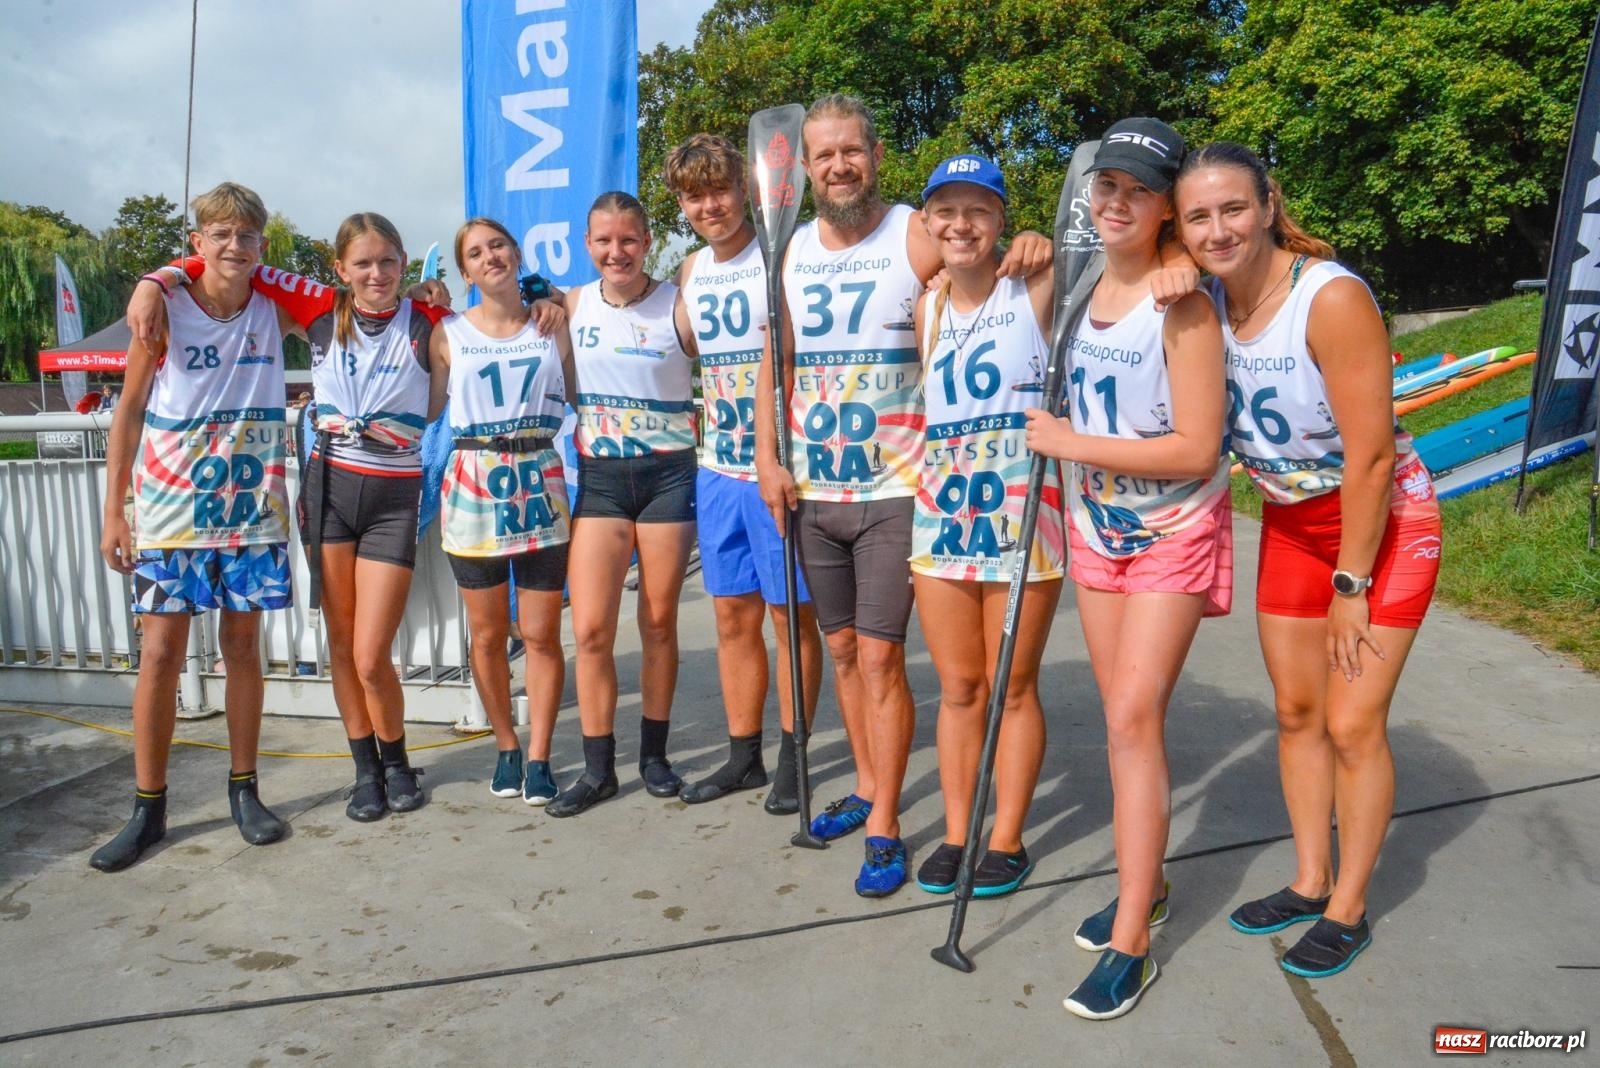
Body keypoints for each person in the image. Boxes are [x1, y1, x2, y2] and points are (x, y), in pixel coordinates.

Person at [756, 94, 1051, 897]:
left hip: (901, 484)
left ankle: (886, 824)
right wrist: (765, 456)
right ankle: (865, 783)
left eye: (852, 150)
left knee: (883, 657)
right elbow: (773, 359)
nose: (839, 165)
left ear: (875, 155)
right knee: (844, 650)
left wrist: (1032, 244)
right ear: (808, 167)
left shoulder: (916, 229)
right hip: (815, 487)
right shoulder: (787, 245)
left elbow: (977, 270)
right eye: (824, 156)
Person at [1173, 142, 1441, 979]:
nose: (1219, 229)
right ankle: (1308, 877)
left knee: (1351, 722)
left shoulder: (1329, 298)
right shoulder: (1203, 299)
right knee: (1295, 713)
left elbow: (1368, 459)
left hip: (1380, 523)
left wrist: (1351, 588)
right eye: (1198, 217)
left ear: (1267, 204)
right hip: (1292, 524)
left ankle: (1350, 906)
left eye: (1233, 209)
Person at [131, 213, 451, 821]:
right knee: (339, 645)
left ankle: (397, 761)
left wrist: (540, 301)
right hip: (326, 489)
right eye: (363, 263)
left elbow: (494, 330)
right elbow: (226, 259)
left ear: (405, 262)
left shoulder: (427, 318)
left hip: (390, 493)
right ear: (339, 269)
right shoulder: (320, 306)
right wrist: (157, 277)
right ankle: (365, 772)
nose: (376, 273)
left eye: (389, 262)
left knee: (370, 652)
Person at [1024, 118, 1231, 1019]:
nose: (1114, 201)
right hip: (1096, 530)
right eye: (1104, 186)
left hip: (1172, 528)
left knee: (1132, 714)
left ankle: (1132, 945)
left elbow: (1195, 448)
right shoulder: (1079, 289)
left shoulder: (1182, 299)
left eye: (1137, 191)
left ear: (1163, 209)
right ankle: (1142, 884)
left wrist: (1072, 439)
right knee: (1121, 727)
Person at [92, 182, 293, 871]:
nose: (235, 247)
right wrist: (114, 510)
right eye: (221, 235)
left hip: (251, 510)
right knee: (160, 656)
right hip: (173, 510)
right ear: (197, 242)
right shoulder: (167, 306)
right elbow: (129, 412)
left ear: (262, 247)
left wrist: (431, 299)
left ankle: (245, 790)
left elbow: (363, 291)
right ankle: (148, 807)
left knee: (243, 647)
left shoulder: (275, 306)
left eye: (247, 237)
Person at [908, 155, 1065, 899]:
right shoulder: (928, 304)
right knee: (960, 685)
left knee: (1013, 685)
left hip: (1021, 505)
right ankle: (955, 828)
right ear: (929, 222)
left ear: (1001, 219)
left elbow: (1117, 254)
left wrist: (1048, 241)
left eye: (978, 210)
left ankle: (1007, 837)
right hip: (944, 506)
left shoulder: (1037, 284)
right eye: (946, 211)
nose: (960, 225)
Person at [663, 133, 824, 811]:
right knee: (732, 617)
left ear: (747, 190)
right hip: (716, 467)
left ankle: (795, 752)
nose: (710, 205)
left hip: (783, 467)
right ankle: (742, 756)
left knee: (791, 617)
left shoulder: (785, 254)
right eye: (695, 195)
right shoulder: (691, 271)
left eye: (720, 189)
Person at [548, 192, 697, 817]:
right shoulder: (570, 305)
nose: (617, 252)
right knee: (590, 629)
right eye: (605, 242)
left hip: (669, 477)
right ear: (588, 246)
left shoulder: (677, 302)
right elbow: (493, 321)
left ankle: (654, 756)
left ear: (647, 241)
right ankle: (598, 768)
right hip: (603, 480)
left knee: (659, 622)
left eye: (629, 241)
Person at [432, 218, 574, 806]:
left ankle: (540, 754)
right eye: (475, 253)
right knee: (488, 635)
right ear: (464, 272)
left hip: (539, 480)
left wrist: (553, 297)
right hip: (473, 487)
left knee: (540, 632)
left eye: (498, 246)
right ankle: (506, 745)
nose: (489, 257)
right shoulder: (444, 334)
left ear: (516, 254)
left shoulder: (553, 323)